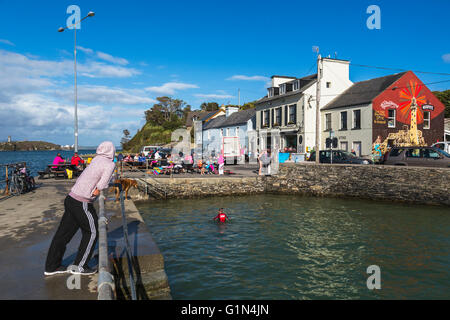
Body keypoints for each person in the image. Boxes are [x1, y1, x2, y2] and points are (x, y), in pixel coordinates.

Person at [44, 141, 116, 276]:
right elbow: (101, 185)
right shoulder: (110, 164)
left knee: (63, 235)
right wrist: (98, 191)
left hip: (71, 198)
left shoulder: (96, 159)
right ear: (112, 151)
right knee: (92, 232)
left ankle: (51, 267)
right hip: (82, 202)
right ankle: (80, 266)